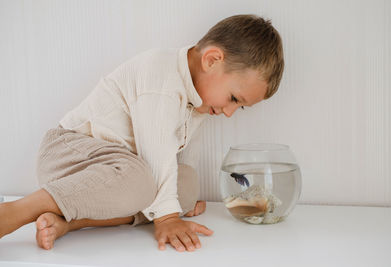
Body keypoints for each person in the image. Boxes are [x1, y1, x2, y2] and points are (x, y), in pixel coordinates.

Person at [0, 14, 284, 252]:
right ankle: (17, 211)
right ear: (211, 60)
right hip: (69, 155)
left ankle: (69, 221)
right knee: (147, 184)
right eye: (234, 99)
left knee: (184, 184)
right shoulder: (160, 75)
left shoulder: (198, 99)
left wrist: (181, 200)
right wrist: (168, 216)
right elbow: (157, 149)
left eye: (240, 108)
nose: (229, 112)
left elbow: (182, 156)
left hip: (117, 173)